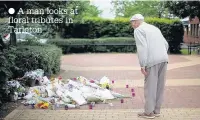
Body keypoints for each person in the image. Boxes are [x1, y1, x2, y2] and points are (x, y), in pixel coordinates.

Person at [130, 14, 169, 119]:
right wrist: (161, 54)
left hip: (152, 61)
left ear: (137, 21)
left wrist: (143, 64)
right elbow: (166, 44)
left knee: (150, 87)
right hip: (164, 59)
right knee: (160, 86)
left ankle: (149, 112)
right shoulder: (154, 28)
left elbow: (142, 48)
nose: (131, 25)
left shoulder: (138, 30)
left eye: (132, 22)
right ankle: (157, 110)